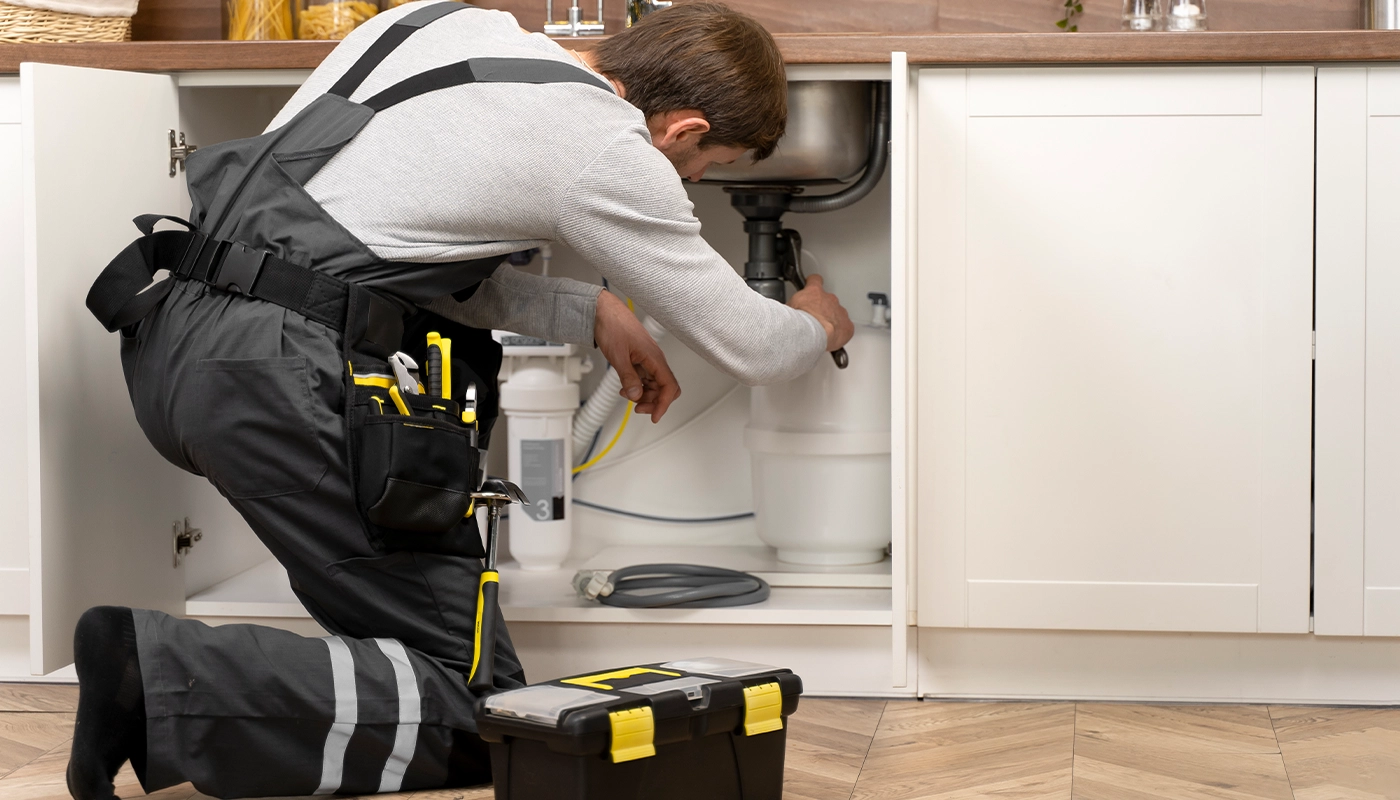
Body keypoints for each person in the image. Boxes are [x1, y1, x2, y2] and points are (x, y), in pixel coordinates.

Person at [71, 2, 854, 798]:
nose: (691, 182)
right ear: (684, 129)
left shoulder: (435, 21)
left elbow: (373, 240)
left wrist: (587, 309)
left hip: (180, 344)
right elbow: (753, 345)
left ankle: (171, 683)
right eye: (704, 166)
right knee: (490, 718)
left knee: (443, 674)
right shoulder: (602, 141)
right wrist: (819, 323)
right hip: (284, 382)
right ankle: (155, 672)